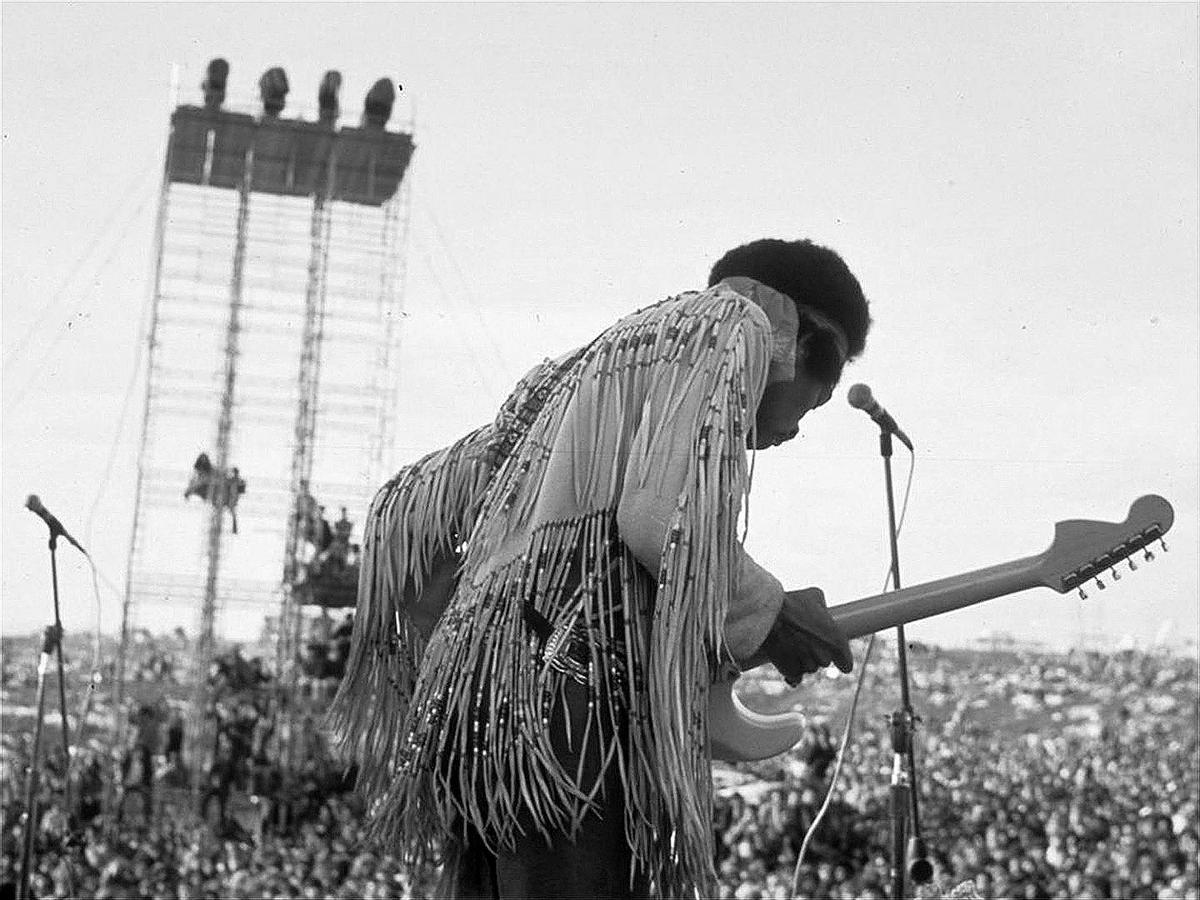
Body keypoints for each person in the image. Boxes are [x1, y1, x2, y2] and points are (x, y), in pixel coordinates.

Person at [330, 238, 870, 899]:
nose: (796, 428)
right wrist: (769, 612)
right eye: (824, 388)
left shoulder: (564, 378)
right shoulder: (735, 323)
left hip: (475, 718)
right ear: (802, 333)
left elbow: (403, 517)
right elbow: (661, 518)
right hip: (569, 716)